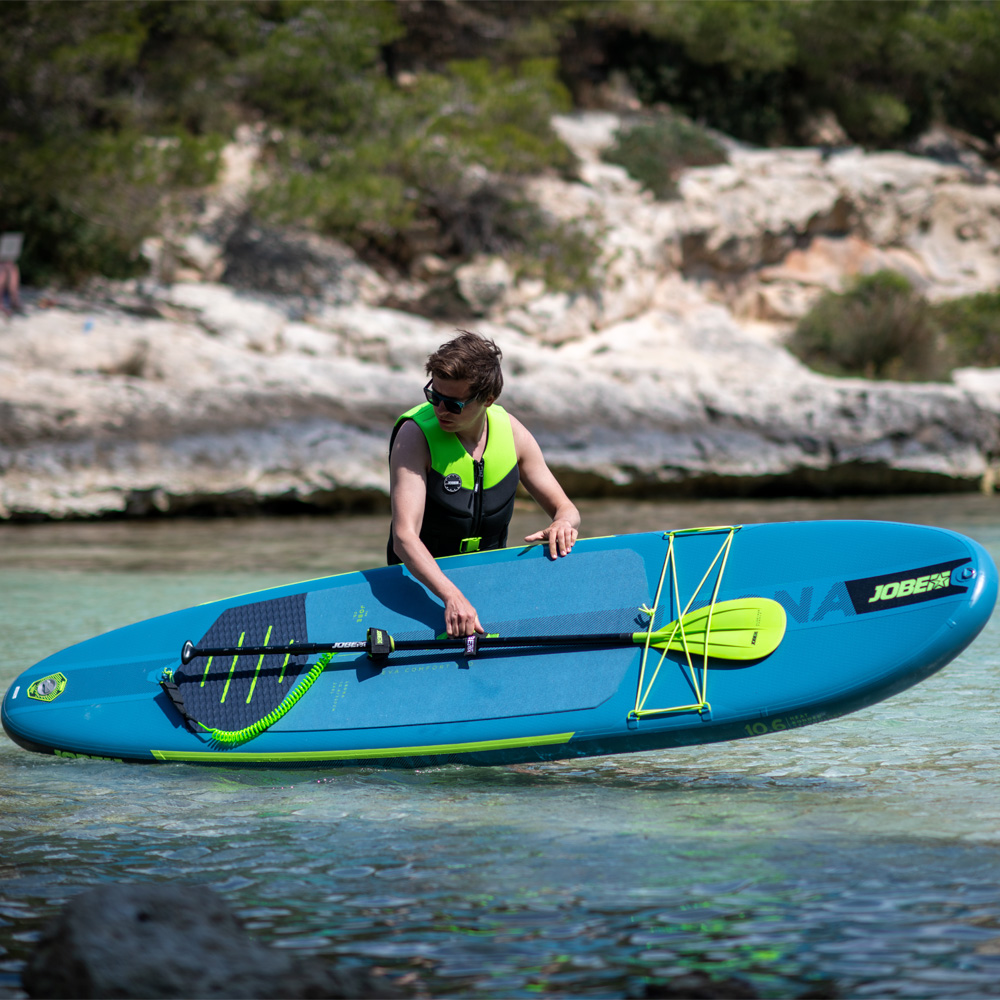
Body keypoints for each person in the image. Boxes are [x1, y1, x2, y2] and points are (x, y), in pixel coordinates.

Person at [388, 330, 580, 638]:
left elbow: (567, 509)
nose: (439, 410)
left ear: (488, 400)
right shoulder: (414, 437)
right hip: (421, 587)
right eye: (434, 396)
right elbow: (404, 537)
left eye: (453, 405)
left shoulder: (513, 434)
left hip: (488, 583)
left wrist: (562, 524)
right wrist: (451, 596)